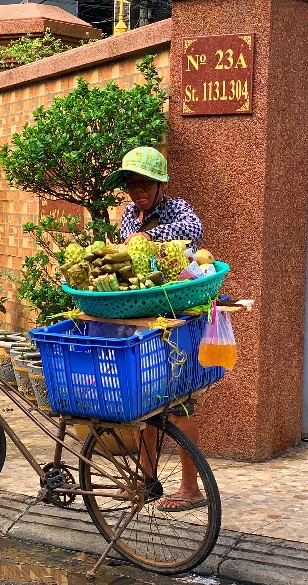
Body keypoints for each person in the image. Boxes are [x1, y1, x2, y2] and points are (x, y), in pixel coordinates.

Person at [104, 146, 205, 512]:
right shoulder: (129, 215)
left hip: (176, 317)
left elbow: (194, 230)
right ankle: (145, 480)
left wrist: (152, 237)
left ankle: (191, 489)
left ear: (161, 185)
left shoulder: (178, 210)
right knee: (147, 404)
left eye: (145, 184)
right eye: (132, 185)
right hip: (143, 317)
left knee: (180, 406)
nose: (138, 192)